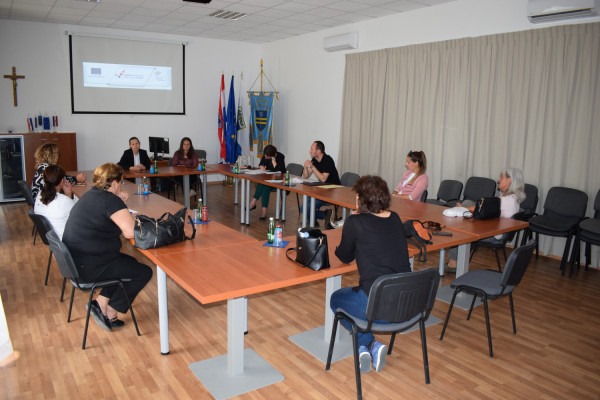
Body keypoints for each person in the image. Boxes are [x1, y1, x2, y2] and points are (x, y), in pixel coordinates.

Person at [330, 175, 411, 373]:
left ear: (361, 199)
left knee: (336, 300)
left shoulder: (355, 222)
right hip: (406, 303)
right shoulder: (395, 218)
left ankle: (368, 342)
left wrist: (348, 229)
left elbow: (345, 256)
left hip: (377, 306)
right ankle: (370, 347)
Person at [63, 163, 152, 331]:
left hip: (77, 263)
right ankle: (108, 307)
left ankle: (102, 305)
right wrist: (125, 210)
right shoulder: (110, 200)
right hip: (90, 266)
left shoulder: (91, 195)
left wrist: (120, 203)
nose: (121, 185)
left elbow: (105, 218)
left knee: (129, 264)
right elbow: (130, 232)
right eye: (121, 182)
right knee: (143, 272)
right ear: (115, 183)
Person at [446, 167, 526, 272]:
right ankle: (458, 259)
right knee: (467, 203)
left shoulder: (506, 200)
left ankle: (453, 264)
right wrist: (465, 207)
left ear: (509, 180)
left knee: (461, 230)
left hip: (494, 235)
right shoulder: (513, 197)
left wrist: (462, 208)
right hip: (497, 228)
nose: (498, 180)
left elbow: (481, 208)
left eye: (501, 177)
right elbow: (484, 208)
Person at [302, 140, 341, 225]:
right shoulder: (315, 159)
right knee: (303, 208)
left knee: (307, 208)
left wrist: (312, 167)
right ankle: (324, 214)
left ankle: (312, 220)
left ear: (318, 151)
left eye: (312, 149)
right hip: (323, 189)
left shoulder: (328, 160)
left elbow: (323, 179)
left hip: (333, 191)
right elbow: (305, 176)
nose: (310, 151)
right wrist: (305, 167)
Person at [34, 165, 76, 240]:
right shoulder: (64, 201)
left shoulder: (39, 195)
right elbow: (76, 217)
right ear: (62, 181)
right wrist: (68, 195)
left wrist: (67, 195)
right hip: (66, 240)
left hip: (52, 240)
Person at [249, 145, 286, 219]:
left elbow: (281, 171)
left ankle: (254, 204)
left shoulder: (280, 156)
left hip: (278, 180)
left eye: (267, 157)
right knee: (264, 183)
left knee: (265, 185)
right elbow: (261, 164)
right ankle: (261, 208)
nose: (265, 158)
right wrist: (261, 167)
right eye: (265, 156)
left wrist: (274, 161)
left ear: (272, 155)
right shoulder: (266, 155)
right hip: (268, 178)